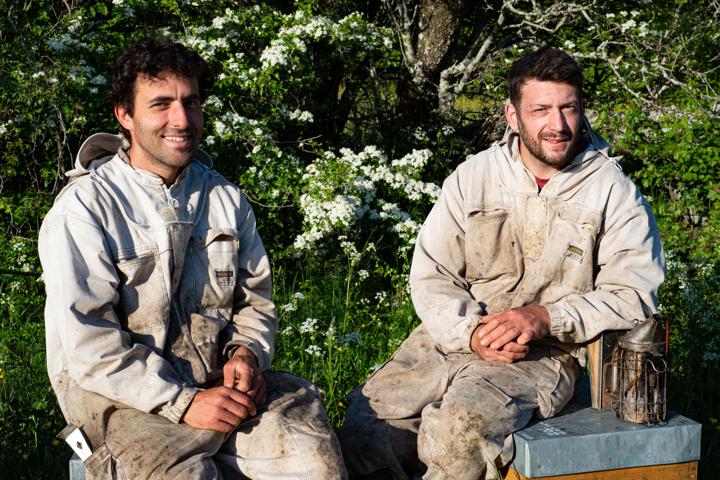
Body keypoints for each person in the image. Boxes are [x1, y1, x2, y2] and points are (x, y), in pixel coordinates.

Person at [338, 46, 665, 479]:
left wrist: (547, 317)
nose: (558, 125)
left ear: (582, 109)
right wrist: (470, 332)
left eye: (568, 108)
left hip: (543, 355)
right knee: (365, 434)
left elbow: (634, 294)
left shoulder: (612, 190)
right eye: (541, 110)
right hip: (450, 340)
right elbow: (433, 273)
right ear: (512, 116)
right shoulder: (474, 176)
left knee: (458, 433)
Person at [39, 38, 346, 480]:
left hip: (217, 387)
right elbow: (90, 347)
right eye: (160, 105)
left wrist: (245, 354)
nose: (181, 120)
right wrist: (182, 402)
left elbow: (254, 302)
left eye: (191, 102)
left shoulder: (225, 199)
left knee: (315, 463)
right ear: (124, 116)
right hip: (120, 399)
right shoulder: (85, 208)